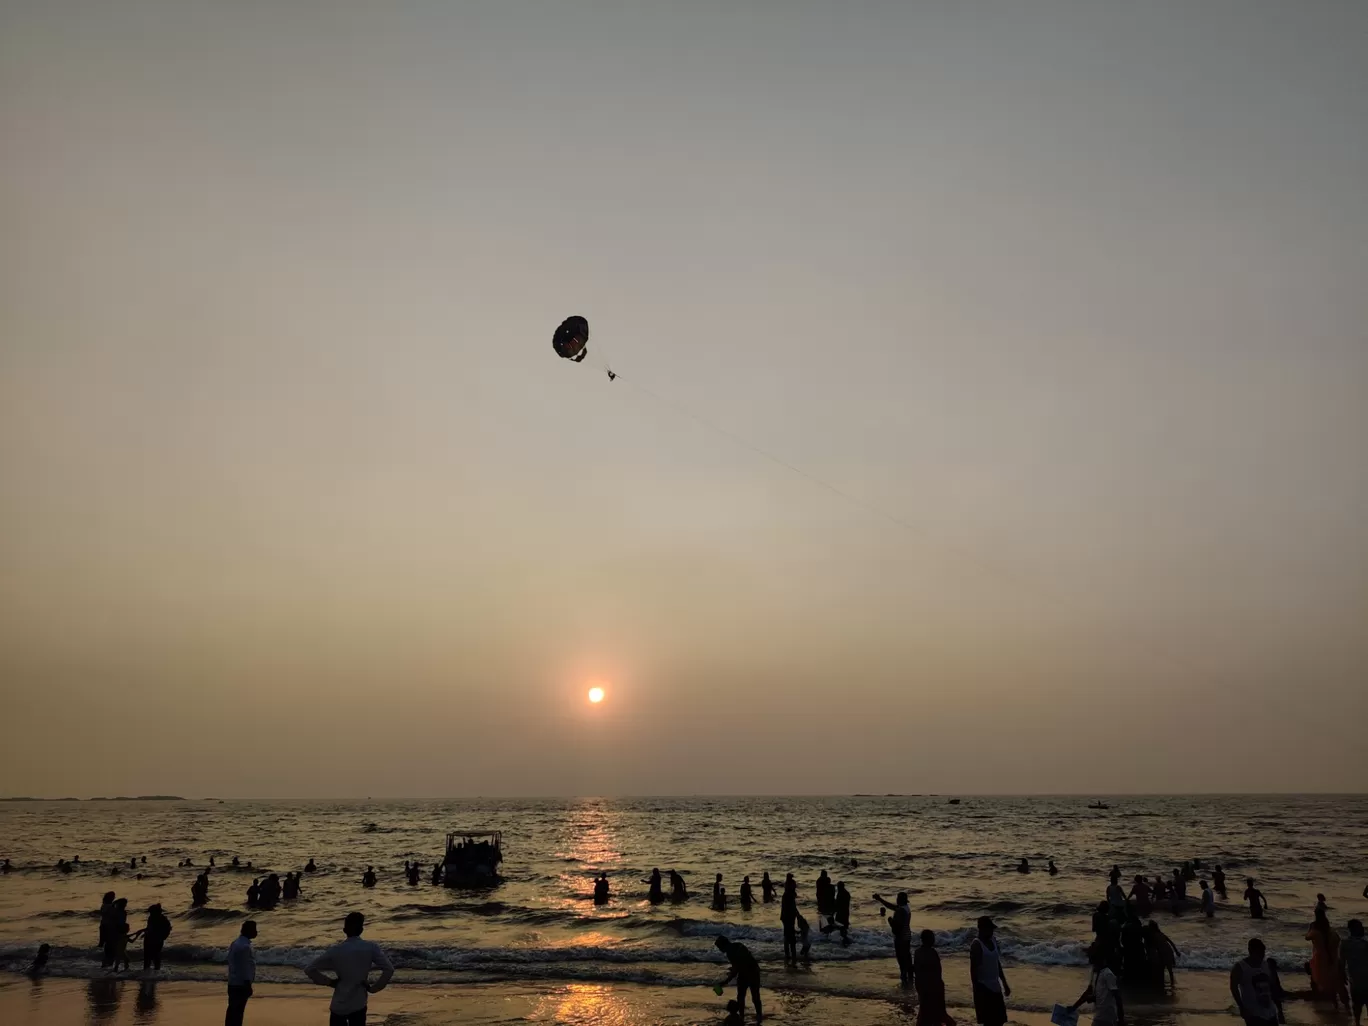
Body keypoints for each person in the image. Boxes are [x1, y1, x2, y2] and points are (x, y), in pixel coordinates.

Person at [305, 912, 395, 1026]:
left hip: (338, 1006)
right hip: (358, 1004)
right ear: (361, 930)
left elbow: (309, 969)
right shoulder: (370, 947)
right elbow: (389, 969)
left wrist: (329, 982)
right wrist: (373, 988)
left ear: (344, 930)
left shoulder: (336, 950)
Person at [1231, 938, 1284, 1026]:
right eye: (1259, 953)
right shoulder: (1240, 967)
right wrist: (1241, 1007)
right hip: (1253, 1013)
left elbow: (1273, 989)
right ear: (1250, 951)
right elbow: (1233, 988)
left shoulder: (1266, 965)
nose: (1262, 956)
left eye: (1263, 953)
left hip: (1270, 1012)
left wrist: (1280, 1011)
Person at [1069, 944, 1124, 1026]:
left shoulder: (1107, 974)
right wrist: (1074, 1007)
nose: (1088, 958)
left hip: (1107, 1017)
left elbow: (1117, 997)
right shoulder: (1094, 972)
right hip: (1098, 1016)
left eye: (1091, 956)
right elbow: (1089, 992)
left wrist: (1121, 1019)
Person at [970, 916, 1010, 1026]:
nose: (992, 931)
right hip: (984, 989)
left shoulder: (993, 940)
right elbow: (973, 971)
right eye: (989, 929)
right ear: (982, 929)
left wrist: (1004, 983)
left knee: (1000, 1021)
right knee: (989, 1023)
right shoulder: (977, 945)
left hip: (996, 987)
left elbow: (997, 963)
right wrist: (977, 992)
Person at [714, 935, 762, 1022]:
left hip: (748, 973)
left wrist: (725, 982)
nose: (720, 950)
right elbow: (739, 964)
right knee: (755, 996)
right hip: (754, 971)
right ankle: (759, 1015)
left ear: (723, 945)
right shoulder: (738, 945)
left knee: (741, 997)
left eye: (719, 947)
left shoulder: (730, 953)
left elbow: (736, 968)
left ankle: (741, 1017)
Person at [1306, 909, 1345, 1007]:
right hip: (1332, 958)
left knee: (1319, 978)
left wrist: (1311, 928)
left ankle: (1327, 1000)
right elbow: (1338, 940)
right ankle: (1343, 1005)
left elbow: (1307, 937)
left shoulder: (1316, 931)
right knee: (1333, 981)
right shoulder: (1330, 930)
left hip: (1320, 959)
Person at [915, 930, 954, 1026]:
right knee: (938, 1017)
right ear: (927, 939)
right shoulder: (932, 953)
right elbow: (937, 972)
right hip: (933, 989)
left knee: (925, 1016)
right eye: (932, 938)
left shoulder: (918, 953)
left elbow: (918, 972)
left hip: (925, 989)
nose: (934, 940)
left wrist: (919, 989)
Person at [875, 892, 914, 984]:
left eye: (897, 898)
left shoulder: (900, 911)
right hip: (907, 936)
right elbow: (891, 907)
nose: (896, 900)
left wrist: (890, 921)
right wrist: (880, 899)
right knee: (907, 958)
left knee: (901, 959)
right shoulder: (906, 908)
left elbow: (897, 927)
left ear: (900, 900)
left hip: (901, 937)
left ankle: (904, 979)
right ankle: (910, 978)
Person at [226, 920, 257, 1026]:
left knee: (232, 1012)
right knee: (238, 1013)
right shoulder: (244, 947)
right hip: (241, 984)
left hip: (233, 982)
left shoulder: (236, 943)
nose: (256, 932)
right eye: (254, 929)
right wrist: (248, 984)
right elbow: (244, 968)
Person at [1340, 919, 1368, 1026]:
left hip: (1354, 979)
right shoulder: (1365, 944)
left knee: (1356, 1004)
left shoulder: (1344, 943)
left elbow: (1341, 963)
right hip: (1366, 978)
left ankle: (1357, 1023)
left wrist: (1342, 976)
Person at [1146, 920, 1180, 990]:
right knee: (1169, 970)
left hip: (1163, 953)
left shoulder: (1153, 936)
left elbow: (1153, 947)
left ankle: (1164, 984)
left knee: (1162, 969)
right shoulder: (1161, 934)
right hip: (1168, 951)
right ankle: (1172, 984)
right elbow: (1171, 942)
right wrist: (1176, 951)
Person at [142, 904, 172, 973]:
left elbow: (168, 929)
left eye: (151, 912)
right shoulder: (151, 917)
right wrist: (145, 932)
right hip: (149, 939)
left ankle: (156, 971)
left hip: (157, 939)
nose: (150, 913)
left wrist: (162, 938)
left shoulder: (163, 919)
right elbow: (149, 928)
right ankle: (147, 972)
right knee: (148, 956)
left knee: (156, 956)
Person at [780, 877, 799, 963]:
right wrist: (797, 915)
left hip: (787, 918)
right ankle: (792, 956)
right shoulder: (788, 895)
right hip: (788, 918)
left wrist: (797, 914)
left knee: (787, 936)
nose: (795, 886)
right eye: (794, 885)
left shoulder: (787, 894)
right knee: (790, 937)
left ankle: (788, 955)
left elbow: (793, 907)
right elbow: (791, 908)